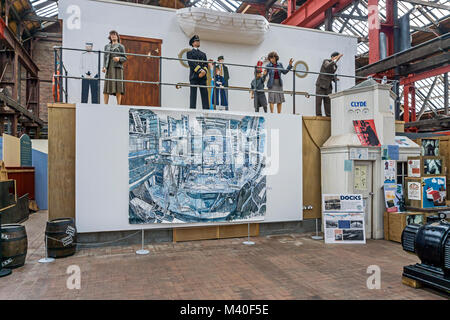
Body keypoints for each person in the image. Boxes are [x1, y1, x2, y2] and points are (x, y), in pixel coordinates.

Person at [315, 51, 343, 116]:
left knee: (327, 101)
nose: (338, 59)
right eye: (337, 57)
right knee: (319, 101)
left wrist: (334, 78)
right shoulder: (326, 61)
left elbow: (330, 73)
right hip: (321, 84)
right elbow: (327, 66)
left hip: (328, 86)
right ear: (333, 57)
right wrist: (335, 59)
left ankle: (328, 115)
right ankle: (318, 115)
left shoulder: (335, 66)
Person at [102, 30, 127, 105]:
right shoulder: (106, 46)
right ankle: (105, 105)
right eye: (111, 35)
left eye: (114, 35)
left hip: (118, 68)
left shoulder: (121, 46)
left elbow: (125, 58)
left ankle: (118, 105)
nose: (113, 36)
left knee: (118, 87)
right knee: (106, 87)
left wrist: (119, 59)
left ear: (117, 36)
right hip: (109, 68)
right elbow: (105, 57)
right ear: (110, 37)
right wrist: (104, 67)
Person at [187, 35, 209, 109]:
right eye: (196, 41)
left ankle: (206, 111)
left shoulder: (203, 54)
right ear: (193, 43)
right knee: (193, 95)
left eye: (199, 41)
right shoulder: (189, 53)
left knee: (205, 95)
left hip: (203, 77)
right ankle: (192, 111)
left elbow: (206, 64)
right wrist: (200, 71)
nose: (198, 42)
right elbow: (191, 63)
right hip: (194, 76)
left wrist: (204, 71)